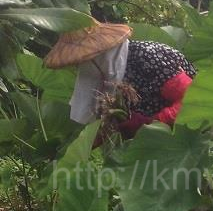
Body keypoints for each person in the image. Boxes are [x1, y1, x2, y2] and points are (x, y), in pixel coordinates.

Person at [44, 19, 196, 137]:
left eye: (81, 61)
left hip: (190, 133)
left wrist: (150, 123)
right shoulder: (109, 73)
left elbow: (192, 99)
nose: (79, 67)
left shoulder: (147, 57)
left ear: (98, 55)